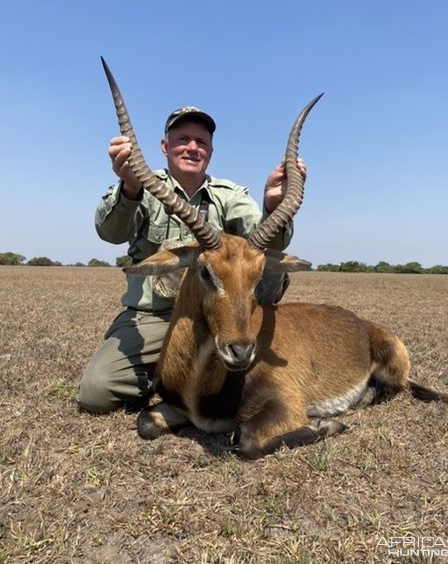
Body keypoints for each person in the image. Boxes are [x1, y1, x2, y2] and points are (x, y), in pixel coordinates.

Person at [78, 106, 305, 413]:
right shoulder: (142, 184)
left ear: (210, 151)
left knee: (267, 278)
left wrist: (272, 205)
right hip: (155, 316)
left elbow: (262, 247)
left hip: (216, 315)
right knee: (97, 394)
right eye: (182, 139)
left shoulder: (230, 195)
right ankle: (167, 378)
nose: (192, 147)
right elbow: (110, 233)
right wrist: (130, 187)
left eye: (201, 141)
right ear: (164, 146)